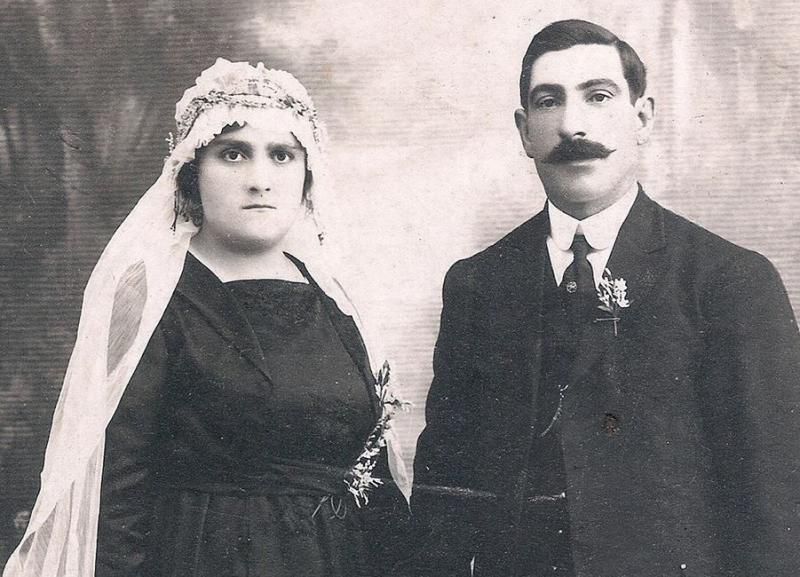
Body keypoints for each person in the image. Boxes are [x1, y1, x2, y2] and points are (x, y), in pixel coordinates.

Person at [401, 19, 800, 577]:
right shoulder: (477, 283)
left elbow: (776, 503)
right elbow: (446, 488)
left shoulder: (730, 281)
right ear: (525, 131)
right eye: (548, 102)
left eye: (598, 96)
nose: (572, 125)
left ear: (642, 118)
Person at [3, 58, 410, 577]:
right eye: (233, 154)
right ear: (192, 174)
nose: (260, 180)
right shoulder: (156, 293)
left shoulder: (334, 299)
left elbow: (371, 477)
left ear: (307, 175)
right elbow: (115, 491)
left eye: (282, 155)